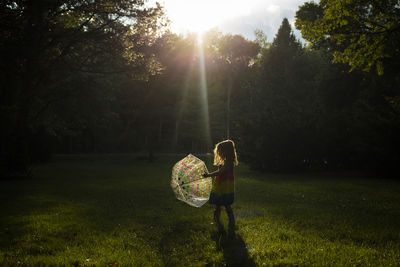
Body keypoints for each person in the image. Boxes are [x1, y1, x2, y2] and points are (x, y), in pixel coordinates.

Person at [203, 140, 238, 228]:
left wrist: (208, 175)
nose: (219, 153)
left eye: (220, 151)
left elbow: (219, 173)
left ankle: (231, 222)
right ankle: (217, 221)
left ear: (226, 151)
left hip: (224, 187)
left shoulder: (228, 162)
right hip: (222, 185)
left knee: (226, 205)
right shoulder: (228, 161)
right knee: (219, 205)